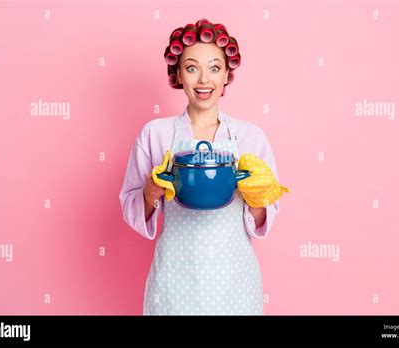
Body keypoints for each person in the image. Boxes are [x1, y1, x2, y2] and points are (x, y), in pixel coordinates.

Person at [119, 19, 284, 315]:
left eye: (215, 68)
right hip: (174, 279)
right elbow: (131, 205)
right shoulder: (155, 134)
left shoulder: (250, 137)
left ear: (226, 75)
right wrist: (150, 190)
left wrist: (257, 197)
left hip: (235, 281)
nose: (204, 79)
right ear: (178, 74)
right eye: (192, 67)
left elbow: (264, 218)